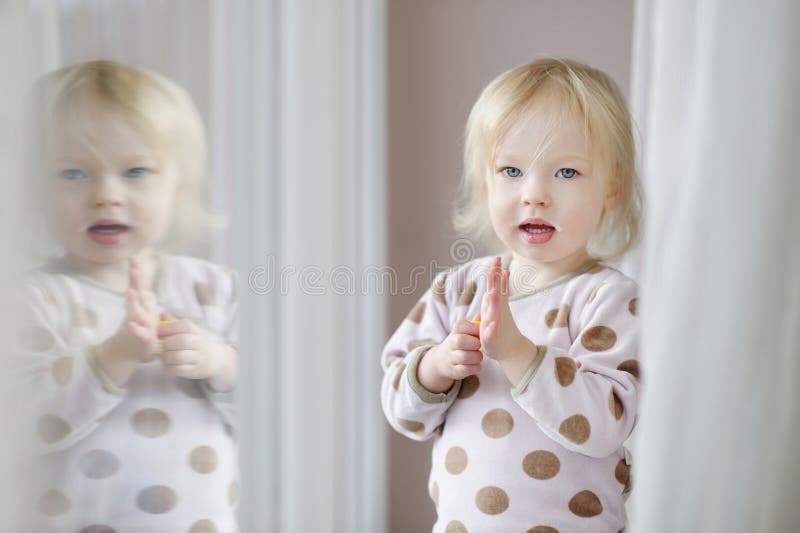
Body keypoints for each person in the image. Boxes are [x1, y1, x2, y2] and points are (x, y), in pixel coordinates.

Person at [381, 58, 643, 532]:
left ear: (613, 187)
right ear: (486, 181)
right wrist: (435, 367)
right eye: (511, 170)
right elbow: (403, 412)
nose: (535, 194)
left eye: (566, 172)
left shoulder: (608, 299)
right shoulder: (458, 289)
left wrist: (521, 355)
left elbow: (603, 428)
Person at [17, 60, 239, 532]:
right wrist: (109, 358)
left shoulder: (211, 286)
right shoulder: (35, 300)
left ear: (177, 190)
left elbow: (273, 398)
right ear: (34, 192)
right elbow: (24, 426)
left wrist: (219, 361)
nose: (106, 195)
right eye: (73, 174)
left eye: (136, 171)